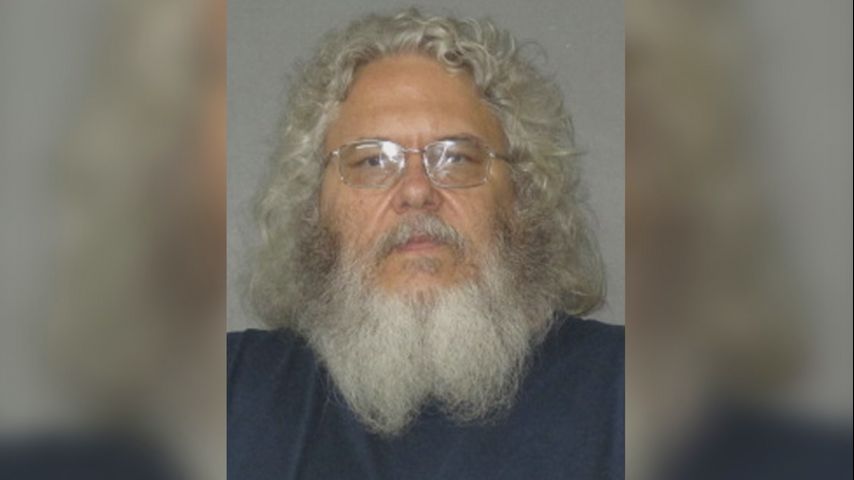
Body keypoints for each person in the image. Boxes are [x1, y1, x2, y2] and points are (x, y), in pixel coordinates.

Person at [228, 8, 623, 479]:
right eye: (372, 161)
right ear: (313, 208)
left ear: (522, 197)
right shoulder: (231, 389)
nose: (416, 191)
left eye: (456, 157)